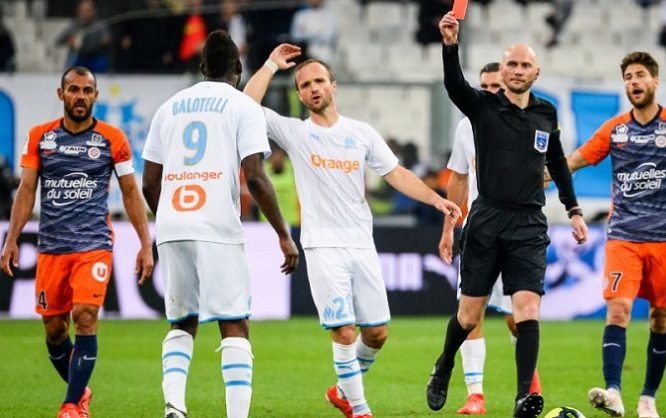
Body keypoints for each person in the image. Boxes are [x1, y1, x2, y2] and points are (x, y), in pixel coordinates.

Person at [243, 43, 462, 418]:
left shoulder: (360, 133)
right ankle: (360, 409)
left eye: (319, 81)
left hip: (362, 245)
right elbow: (244, 107)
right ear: (298, 94)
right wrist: (270, 65)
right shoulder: (296, 132)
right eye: (305, 84)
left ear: (334, 85)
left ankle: (342, 391)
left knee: (377, 334)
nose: (313, 88)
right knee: (344, 331)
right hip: (323, 246)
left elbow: (396, 174)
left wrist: (435, 199)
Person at [427, 12, 588, 418]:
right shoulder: (483, 107)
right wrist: (450, 46)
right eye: (510, 64)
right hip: (486, 221)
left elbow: (559, 164)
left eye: (524, 64)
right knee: (468, 315)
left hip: (529, 223)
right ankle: (444, 364)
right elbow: (453, 85)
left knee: (528, 310)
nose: (517, 70)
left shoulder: (546, 115)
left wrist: (573, 210)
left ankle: (522, 398)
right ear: (503, 69)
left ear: (536, 71)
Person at [141, 30, 299, 418]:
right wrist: (283, 234)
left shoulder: (170, 106)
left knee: (182, 322)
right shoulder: (241, 107)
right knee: (234, 324)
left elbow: (148, 182)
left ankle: (174, 406)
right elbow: (256, 177)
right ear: (238, 69)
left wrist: (169, 218)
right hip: (216, 225)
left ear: (201, 68)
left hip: (173, 224)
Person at [0, 66, 154, 418]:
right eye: (73, 90)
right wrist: (11, 238)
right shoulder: (40, 137)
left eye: (87, 90)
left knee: (85, 317)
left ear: (96, 96)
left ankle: (71, 407)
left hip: (93, 245)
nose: (80, 96)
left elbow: (130, 193)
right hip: (51, 247)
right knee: (55, 331)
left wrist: (146, 244)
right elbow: (26, 189)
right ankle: (80, 390)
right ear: (61, 94)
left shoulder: (113, 139)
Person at [563, 51, 666, 418]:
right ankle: (614, 391)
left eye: (640, 76)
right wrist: (541, 176)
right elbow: (574, 160)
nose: (634, 83)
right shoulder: (615, 129)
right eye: (628, 77)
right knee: (618, 311)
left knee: (661, 319)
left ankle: (648, 398)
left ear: (655, 81)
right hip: (623, 237)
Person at [439, 62, 542, 415]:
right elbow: (459, 179)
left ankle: (530, 391)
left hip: (516, 229)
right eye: (482, 86)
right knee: (471, 313)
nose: (487, 92)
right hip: (481, 229)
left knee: (520, 315)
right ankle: (475, 395)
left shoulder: (529, 122)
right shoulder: (467, 126)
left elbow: (547, 170)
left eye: (494, 86)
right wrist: (448, 228)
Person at [56, 0, 112, 73]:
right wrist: (70, 41)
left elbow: (107, 38)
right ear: (79, 11)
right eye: (84, 10)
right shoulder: (73, 26)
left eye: (89, 10)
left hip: (96, 56)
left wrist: (104, 41)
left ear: (94, 11)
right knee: (71, 63)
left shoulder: (100, 25)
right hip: (79, 56)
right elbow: (58, 41)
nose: (86, 13)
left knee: (102, 62)